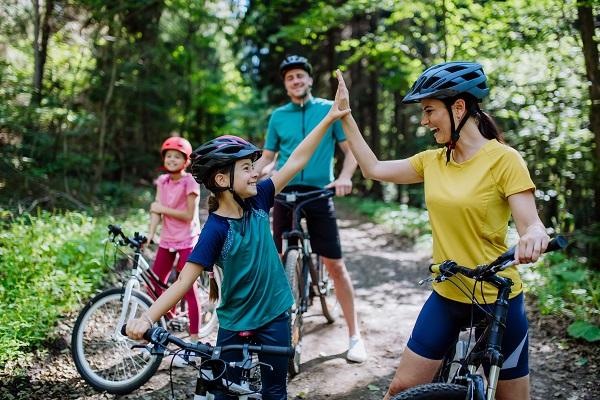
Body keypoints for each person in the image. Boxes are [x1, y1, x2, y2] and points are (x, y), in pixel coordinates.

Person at [332, 63, 549, 400]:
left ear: (459, 107)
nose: (424, 121)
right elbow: (373, 168)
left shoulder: (505, 160)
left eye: (429, 110)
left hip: (498, 299)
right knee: (400, 390)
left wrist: (534, 235)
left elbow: (530, 223)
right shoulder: (432, 161)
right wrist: (345, 116)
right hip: (448, 292)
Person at [125, 86, 351, 399]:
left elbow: (297, 158)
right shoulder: (215, 230)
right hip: (234, 322)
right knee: (223, 393)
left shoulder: (259, 200)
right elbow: (183, 282)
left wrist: (329, 118)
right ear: (221, 180)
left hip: (275, 314)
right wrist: (147, 318)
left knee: (274, 393)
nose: (256, 173)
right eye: (247, 168)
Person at [253, 55, 367, 363]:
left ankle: (355, 335)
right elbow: (267, 157)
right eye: (290, 77)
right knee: (277, 258)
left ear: (309, 80)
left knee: (335, 266)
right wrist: (253, 174)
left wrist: (344, 177)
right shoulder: (278, 115)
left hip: (319, 193)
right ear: (285, 84)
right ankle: (272, 328)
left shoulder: (327, 110)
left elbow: (350, 151)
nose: (296, 81)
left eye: (300, 76)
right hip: (284, 192)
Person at [146, 136, 202, 361]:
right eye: (168, 156)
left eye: (176, 156)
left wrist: (162, 208)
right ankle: (169, 316)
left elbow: (188, 215)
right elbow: (156, 211)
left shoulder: (190, 182)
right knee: (153, 284)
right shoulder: (163, 181)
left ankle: (195, 340)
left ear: (185, 160)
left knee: (188, 288)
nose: (171, 159)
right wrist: (150, 235)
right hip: (167, 239)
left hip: (187, 239)